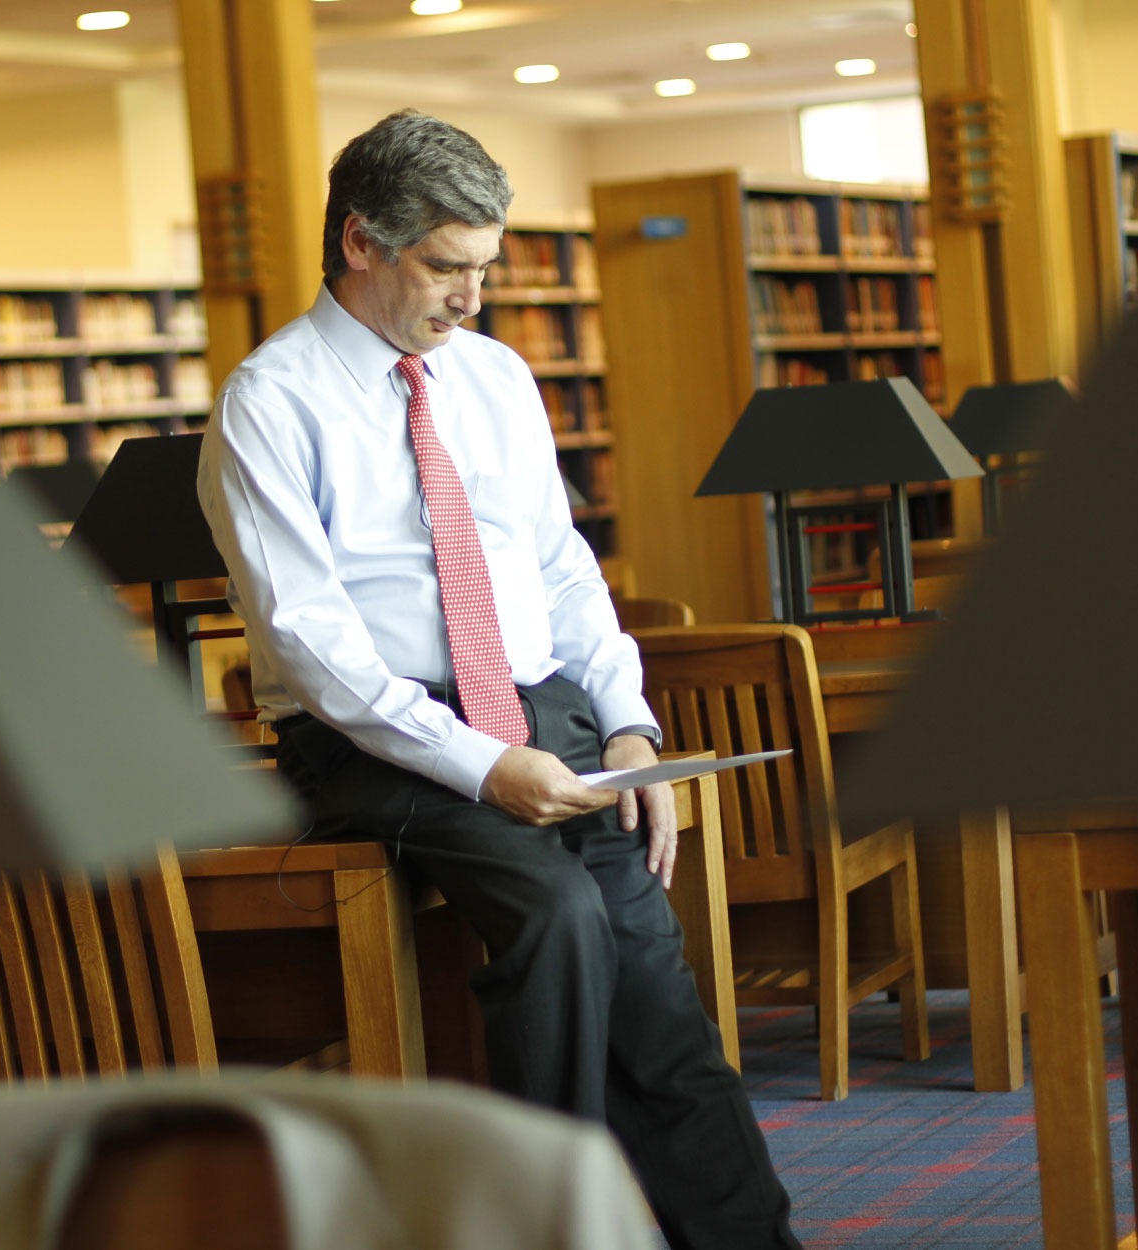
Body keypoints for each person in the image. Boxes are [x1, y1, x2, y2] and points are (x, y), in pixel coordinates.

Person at [196, 109, 801, 1250]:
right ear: (360, 242)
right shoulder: (268, 403)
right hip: (378, 737)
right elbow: (318, 648)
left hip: (542, 707)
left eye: (484, 267)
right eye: (446, 267)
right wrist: (485, 765)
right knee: (560, 920)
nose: (470, 297)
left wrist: (625, 726)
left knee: (653, 986)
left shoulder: (494, 376)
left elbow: (562, 569)